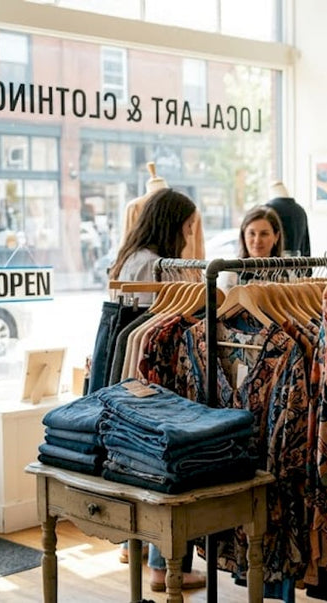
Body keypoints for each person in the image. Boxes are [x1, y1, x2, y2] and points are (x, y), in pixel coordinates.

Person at [106, 188, 205, 591]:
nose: (190, 234)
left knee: (139, 460)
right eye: (188, 226)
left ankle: (140, 549)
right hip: (155, 372)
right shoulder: (156, 266)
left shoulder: (129, 258)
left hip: (128, 367)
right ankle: (165, 566)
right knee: (167, 466)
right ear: (175, 224)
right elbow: (163, 326)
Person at [108, 188, 199, 306]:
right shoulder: (150, 265)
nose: (190, 232)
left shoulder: (139, 257)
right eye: (189, 225)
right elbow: (148, 315)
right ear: (172, 226)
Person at [218, 205, 285, 290]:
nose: (257, 240)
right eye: (252, 234)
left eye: (264, 234)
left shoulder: (288, 276)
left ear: (276, 236)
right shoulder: (231, 276)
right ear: (243, 235)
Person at [266, 181, 310, 256]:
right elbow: (306, 248)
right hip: (298, 265)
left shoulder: (267, 211)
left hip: (272, 264)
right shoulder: (301, 211)